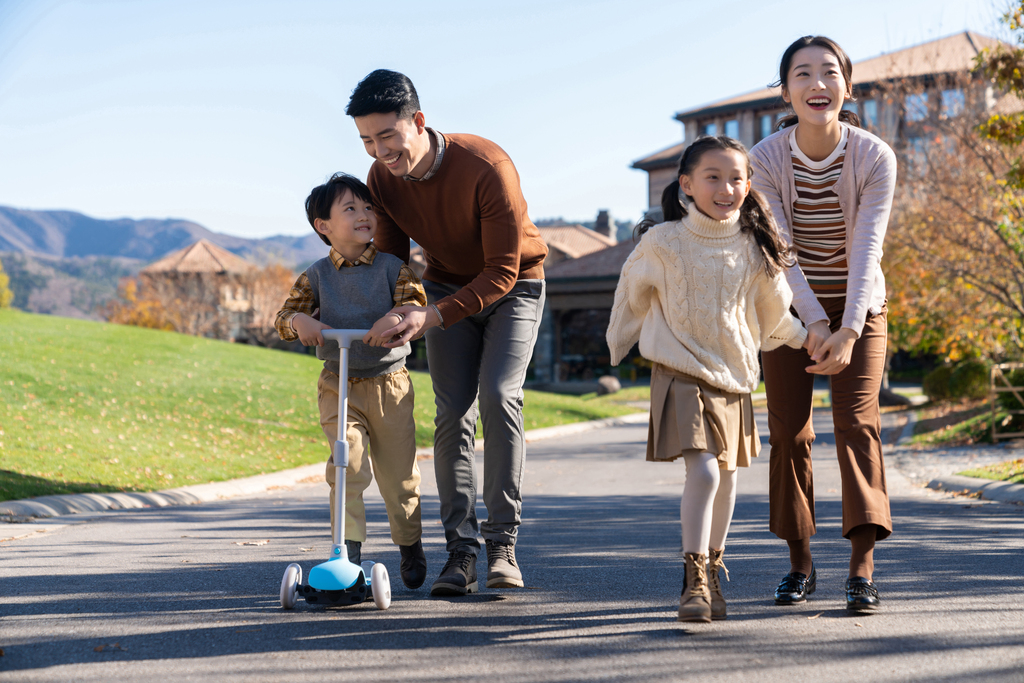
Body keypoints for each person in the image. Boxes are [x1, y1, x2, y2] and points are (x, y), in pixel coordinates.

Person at [345, 69, 549, 596]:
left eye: (387, 136)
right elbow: (391, 260)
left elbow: (503, 270)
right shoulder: (381, 178)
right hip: (440, 287)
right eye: (367, 140)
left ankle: (503, 543)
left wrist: (430, 316)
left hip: (515, 288)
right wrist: (395, 310)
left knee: (501, 395)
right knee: (453, 410)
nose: (379, 151)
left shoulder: (487, 166)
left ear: (417, 121)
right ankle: (461, 551)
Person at [607, 136, 808, 622]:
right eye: (713, 177)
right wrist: (619, 342)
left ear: (748, 184)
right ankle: (693, 576)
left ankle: (714, 568)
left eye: (737, 178)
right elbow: (629, 296)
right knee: (705, 470)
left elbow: (775, 317)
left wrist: (809, 340)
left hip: (735, 376)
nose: (726, 187)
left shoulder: (755, 248)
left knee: (729, 478)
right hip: (680, 372)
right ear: (687, 185)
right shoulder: (662, 242)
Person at [750, 35, 898, 613]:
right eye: (803, 74)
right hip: (788, 313)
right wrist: (812, 321)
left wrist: (848, 329)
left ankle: (862, 567)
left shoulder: (874, 156)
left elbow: (867, 250)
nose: (817, 84)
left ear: (847, 85)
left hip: (861, 310)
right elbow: (778, 250)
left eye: (829, 73)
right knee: (790, 433)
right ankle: (800, 562)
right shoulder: (763, 159)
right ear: (785, 90)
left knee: (858, 425)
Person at [275, 172, 429, 590]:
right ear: (323, 226)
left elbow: (415, 306)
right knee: (347, 467)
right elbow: (284, 317)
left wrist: (395, 318)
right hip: (338, 383)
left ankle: (409, 543)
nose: (364, 214)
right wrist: (302, 320)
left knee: (399, 477)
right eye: (350, 209)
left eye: (367, 207)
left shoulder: (393, 269)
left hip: (389, 384)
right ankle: (349, 552)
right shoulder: (317, 275)